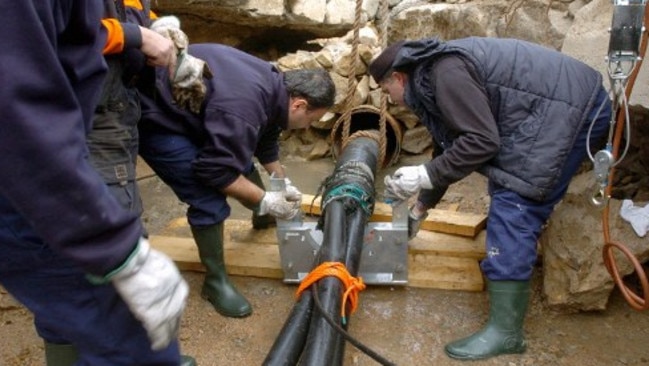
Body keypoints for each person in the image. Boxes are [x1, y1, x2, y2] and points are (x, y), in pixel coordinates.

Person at [369, 37, 612, 361]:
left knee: (515, 200)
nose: (393, 102)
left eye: (388, 92)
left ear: (399, 78)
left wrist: (423, 174)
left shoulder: (445, 74)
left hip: (571, 107)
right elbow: (450, 146)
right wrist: (420, 208)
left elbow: (481, 142)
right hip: (556, 102)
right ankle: (511, 287)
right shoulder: (430, 78)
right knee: (509, 186)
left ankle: (507, 333)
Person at [0, 1, 193, 365]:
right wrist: (120, 252)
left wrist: (157, 24)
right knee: (130, 324)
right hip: (37, 149)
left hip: (82, 123)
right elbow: (15, 107)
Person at [137, 43, 336, 318]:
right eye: (311, 120)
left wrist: (283, 181)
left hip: (192, 106)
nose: (309, 126)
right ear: (299, 104)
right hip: (157, 118)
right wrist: (266, 199)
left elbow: (264, 139)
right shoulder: (244, 107)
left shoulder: (274, 85)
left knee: (238, 156)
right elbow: (215, 171)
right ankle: (215, 281)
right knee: (208, 196)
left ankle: (261, 215)